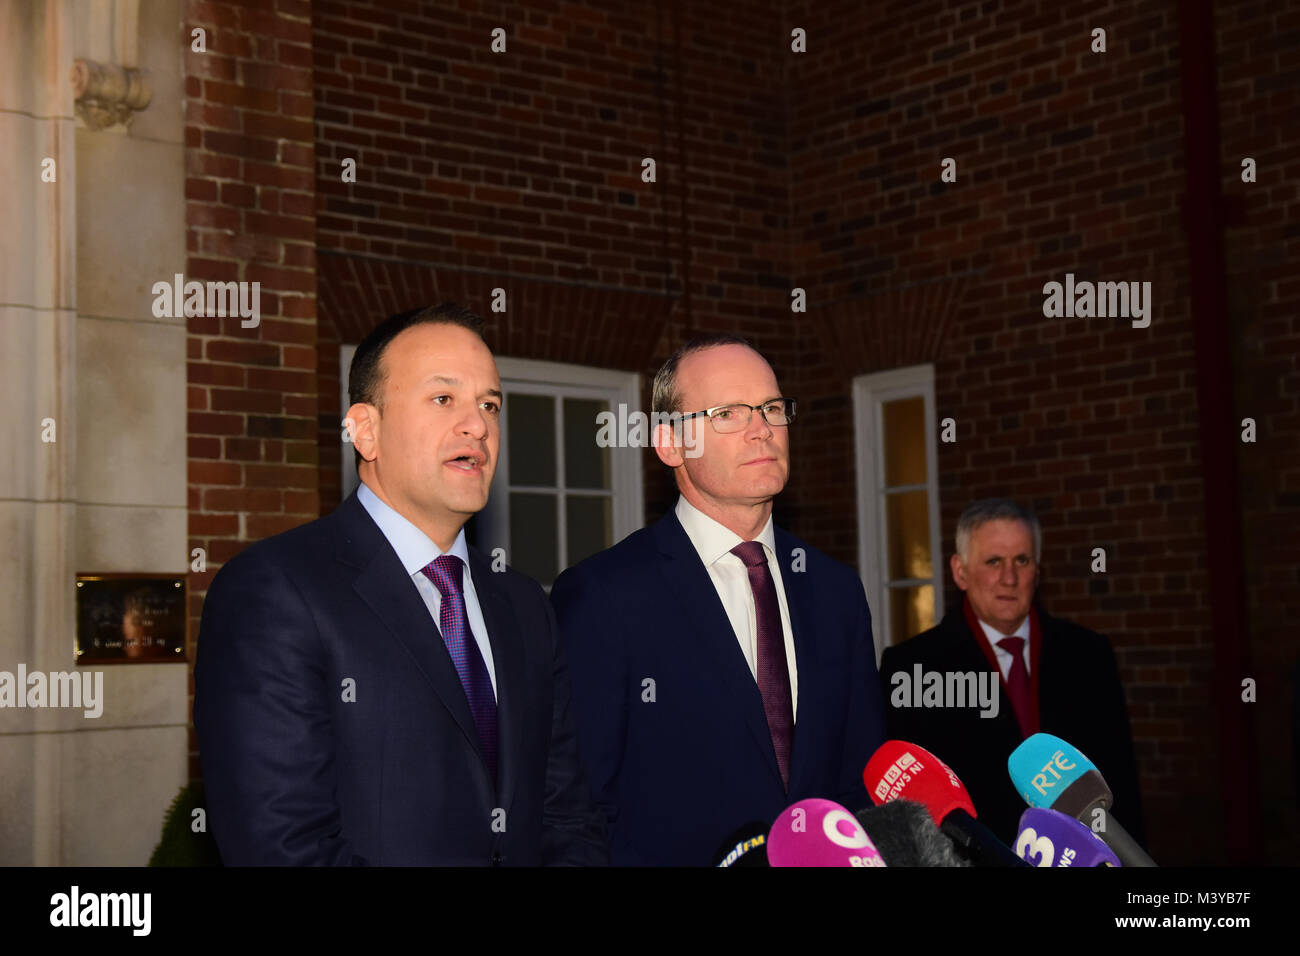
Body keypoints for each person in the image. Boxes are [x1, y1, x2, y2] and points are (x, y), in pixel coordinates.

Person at [194, 303, 607, 865]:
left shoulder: (524, 603)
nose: (478, 425)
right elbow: (284, 847)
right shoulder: (275, 592)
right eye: (444, 399)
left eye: (489, 404)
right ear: (366, 430)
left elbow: (566, 815)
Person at [550, 333, 887, 865]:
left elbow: (862, 783)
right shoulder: (605, 596)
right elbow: (577, 809)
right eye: (728, 413)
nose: (762, 429)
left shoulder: (835, 590)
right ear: (670, 444)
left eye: (772, 408)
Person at [879, 498, 1145, 845]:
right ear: (960, 572)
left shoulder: (1089, 654)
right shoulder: (911, 667)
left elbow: (1120, 780)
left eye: (1022, 560)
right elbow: (910, 809)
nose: (1009, 578)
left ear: (1038, 570)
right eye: (993, 562)